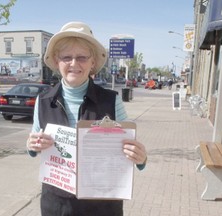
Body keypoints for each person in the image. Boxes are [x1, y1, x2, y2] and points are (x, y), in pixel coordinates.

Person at [26, 21, 147, 216]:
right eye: (67, 57)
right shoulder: (43, 101)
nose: (74, 64)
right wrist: (32, 146)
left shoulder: (111, 101)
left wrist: (140, 158)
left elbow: (130, 149)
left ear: (92, 63)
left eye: (82, 57)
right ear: (58, 62)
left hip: (102, 206)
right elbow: (34, 145)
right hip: (56, 205)